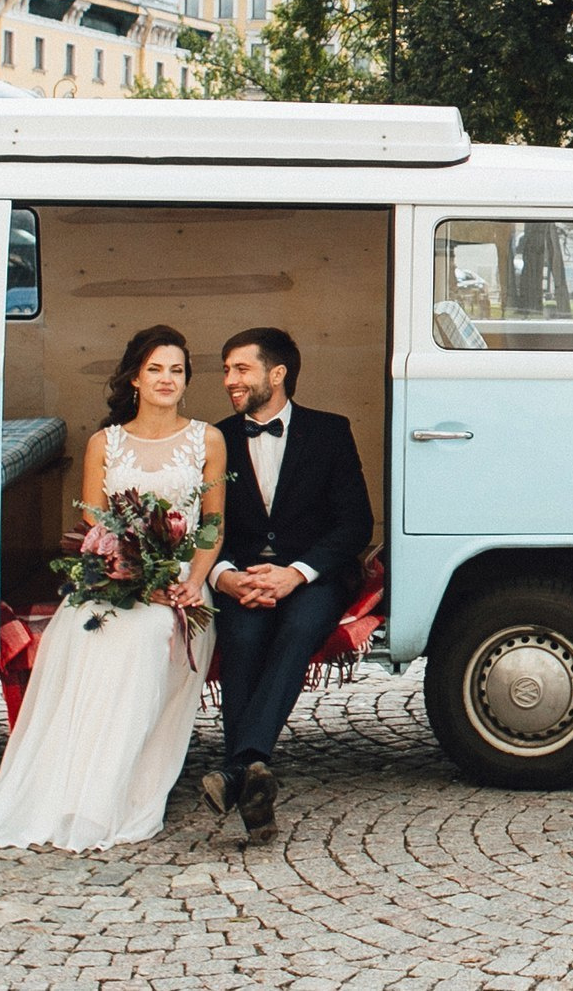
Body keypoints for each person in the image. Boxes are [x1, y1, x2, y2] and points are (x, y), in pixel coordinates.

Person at [0, 324, 225, 853]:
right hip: (114, 581)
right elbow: (92, 529)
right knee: (93, 638)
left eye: (177, 370)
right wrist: (128, 574)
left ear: (186, 381)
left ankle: (115, 795)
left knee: (146, 641)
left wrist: (190, 580)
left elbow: (212, 528)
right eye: (156, 369)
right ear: (135, 378)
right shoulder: (105, 442)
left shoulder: (207, 439)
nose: (167, 379)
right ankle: (72, 789)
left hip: (181, 588)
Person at [200, 326, 373, 837]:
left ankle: (238, 767)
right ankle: (252, 777)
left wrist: (295, 574)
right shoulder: (216, 439)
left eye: (241, 369)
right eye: (227, 370)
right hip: (242, 576)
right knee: (242, 636)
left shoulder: (330, 431)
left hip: (313, 576)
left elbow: (354, 524)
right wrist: (223, 576)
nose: (229, 379)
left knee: (298, 630)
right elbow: (202, 523)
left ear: (277, 374)